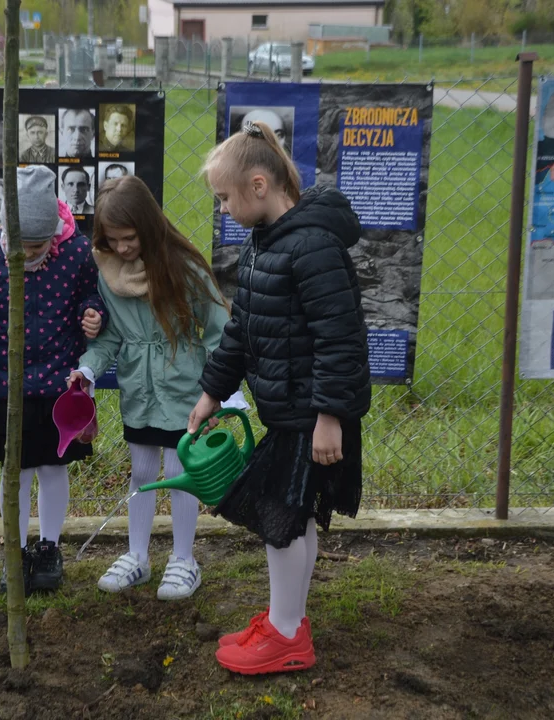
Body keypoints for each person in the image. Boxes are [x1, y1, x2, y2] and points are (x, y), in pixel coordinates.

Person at [190, 120, 370, 674]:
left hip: (311, 417)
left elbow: (339, 339)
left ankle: (288, 635)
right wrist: (211, 392)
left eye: (224, 197)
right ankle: (286, 619)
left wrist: (330, 418)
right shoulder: (263, 245)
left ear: (260, 185)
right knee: (295, 521)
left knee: (280, 521)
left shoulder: (312, 248)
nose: (222, 208)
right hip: (291, 413)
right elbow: (241, 329)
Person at [69, 175, 229, 601]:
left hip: (184, 388)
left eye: (129, 237)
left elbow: (218, 330)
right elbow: (109, 340)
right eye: (112, 239)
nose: (121, 248)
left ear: (149, 224)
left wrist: (216, 390)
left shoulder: (185, 267)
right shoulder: (107, 271)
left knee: (180, 473)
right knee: (141, 472)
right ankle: (137, 555)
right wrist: (87, 369)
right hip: (138, 389)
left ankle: (183, 560)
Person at [0, 166, 106, 595]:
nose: (28, 254)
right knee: (15, 471)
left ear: (55, 231)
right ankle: (16, 550)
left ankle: (49, 547)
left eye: (38, 246)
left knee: (54, 467)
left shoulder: (77, 254)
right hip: (8, 388)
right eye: (20, 246)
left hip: (60, 386)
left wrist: (94, 313)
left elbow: (91, 296)